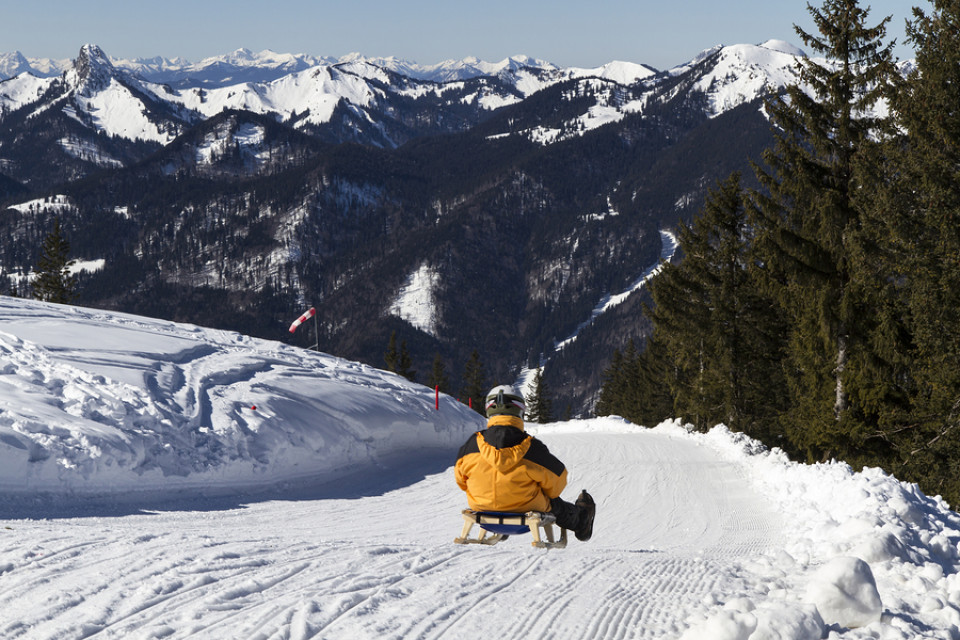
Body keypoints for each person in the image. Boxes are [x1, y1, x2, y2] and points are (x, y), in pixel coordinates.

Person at [455, 385, 595, 541]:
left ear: (489, 410)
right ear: (520, 411)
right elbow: (558, 483)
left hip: (482, 511)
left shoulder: (471, 445)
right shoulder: (531, 447)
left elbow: (461, 482)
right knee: (554, 503)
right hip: (525, 512)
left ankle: (500, 526)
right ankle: (582, 522)